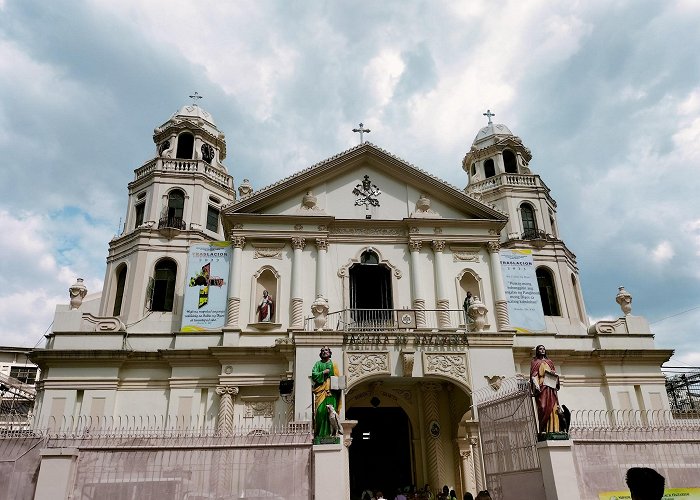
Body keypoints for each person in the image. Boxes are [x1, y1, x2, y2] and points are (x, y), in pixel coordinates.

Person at [311, 346, 341, 438]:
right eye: (323, 350)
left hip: (331, 392)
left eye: (326, 350)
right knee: (320, 412)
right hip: (320, 391)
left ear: (330, 352)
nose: (324, 352)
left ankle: (331, 434)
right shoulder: (318, 364)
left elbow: (337, 378)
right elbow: (314, 374)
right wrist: (323, 372)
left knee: (331, 414)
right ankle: (320, 434)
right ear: (321, 353)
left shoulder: (334, 364)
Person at [530, 344, 561, 434]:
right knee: (543, 407)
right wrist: (535, 382)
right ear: (537, 351)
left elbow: (555, 375)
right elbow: (533, 375)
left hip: (550, 385)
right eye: (540, 349)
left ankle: (555, 429)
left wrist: (553, 373)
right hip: (542, 385)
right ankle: (543, 428)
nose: (542, 350)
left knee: (553, 407)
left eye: (543, 349)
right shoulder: (535, 362)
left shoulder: (549, 362)